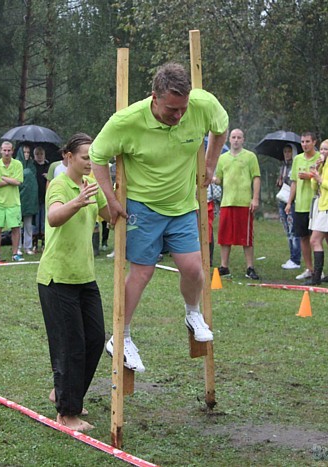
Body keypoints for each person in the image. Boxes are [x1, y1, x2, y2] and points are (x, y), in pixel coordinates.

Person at [90, 62, 229, 373]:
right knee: (142, 273)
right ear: (154, 97)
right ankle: (120, 336)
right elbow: (98, 156)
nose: (178, 115)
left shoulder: (203, 105)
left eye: (182, 109)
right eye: (171, 109)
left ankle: (193, 313)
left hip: (182, 205)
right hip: (142, 207)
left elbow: (221, 127)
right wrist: (110, 200)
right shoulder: (126, 122)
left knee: (194, 269)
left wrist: (210, 163)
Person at [37, 133, 111, 432]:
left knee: (95, 339)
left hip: (85, 277)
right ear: (68, 157)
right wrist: (77, 202)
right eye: (84, 157)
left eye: (93, 158)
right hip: (57, 278)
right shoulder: (59, 184)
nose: (89, 163)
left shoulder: (92, 184)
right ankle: (67, 414)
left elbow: (111, 214)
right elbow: (53, 217)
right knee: (71, 346)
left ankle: (64, 391)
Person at [214, 128, 261, 280]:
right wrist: (210, 177)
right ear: (229, 140)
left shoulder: (250, 157)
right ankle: (224, 266)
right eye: (233, 137)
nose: (236, 140)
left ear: (243, 140)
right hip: (227, 202)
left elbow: (256, 177)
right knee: (224, 236)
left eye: (238, 137)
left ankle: (250, 267)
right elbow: (219, 179)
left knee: (246, 237)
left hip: (244, 203)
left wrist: (255, 198)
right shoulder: (223, 158)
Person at [303, 139, 328, 286]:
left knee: (314, 240)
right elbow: (315, 186)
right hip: (322, 204)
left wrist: (321, 180)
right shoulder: (324, 167)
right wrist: (315, 172)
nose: (323, 152)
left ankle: (316, 277)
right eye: (321, 149)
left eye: (326, 149)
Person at [285, 132, 320, 280]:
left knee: (316, 239)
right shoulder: (297, 159)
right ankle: (309, 268)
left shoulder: (319, 158)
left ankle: (319, 270)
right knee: (303, 238)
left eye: (307, 141)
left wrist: (310, 176)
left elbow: (324, 177)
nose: (304, 144)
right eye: (302, 142)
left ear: (314, 142)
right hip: (300, 205)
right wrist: (289, 202)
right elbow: (293, 182)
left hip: (316, 204)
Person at [0, 141, 24, 262]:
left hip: (14, 202)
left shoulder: (18, 164)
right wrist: (11, 179)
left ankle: (15, 254)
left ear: (12, 151)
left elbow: (18, 181)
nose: (6, 152)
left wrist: (3, 177)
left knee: (15, 228)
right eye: (4, 150)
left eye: (9, 150)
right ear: (0, 150)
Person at [277, 144, 301, 270]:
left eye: (289, 151)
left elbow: (294, 183)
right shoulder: (283, 166)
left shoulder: (295, 165)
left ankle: (295, 258)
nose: (287, 154)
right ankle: (292, 256)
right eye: (285, 151)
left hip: (291, 201)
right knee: (287, 230)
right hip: (282, 198)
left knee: (293, 230)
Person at [16, 145, 39, 255]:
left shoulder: (32, 165)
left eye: (28, 152)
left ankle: (28, 246)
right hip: (18, 198)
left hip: (30, 199)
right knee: (17, 225)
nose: (26, 154)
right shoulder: (15, 164)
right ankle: (18, 246)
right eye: (24, 152)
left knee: (28, 225)